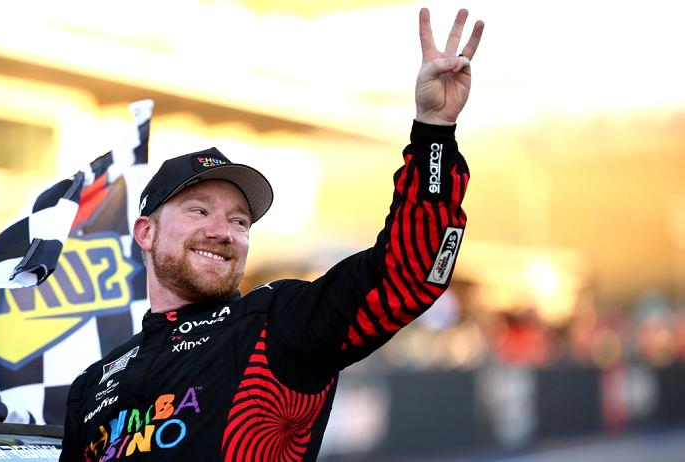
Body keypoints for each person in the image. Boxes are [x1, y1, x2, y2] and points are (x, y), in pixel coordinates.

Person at [61, 7, 484, 461]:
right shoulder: (93, 384)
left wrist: (434, 132)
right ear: (146, 232)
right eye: (199, 210)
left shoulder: (276, 322)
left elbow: (411, 272)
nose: (222, 231)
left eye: (239, 221)